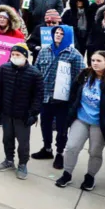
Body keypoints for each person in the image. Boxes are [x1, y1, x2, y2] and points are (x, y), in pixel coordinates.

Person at [56, 51, 105, 191]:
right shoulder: (84, 75)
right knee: (71, 147)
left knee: (95, 152)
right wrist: (71, 108)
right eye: (93, 60)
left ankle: (90, 177)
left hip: (100, 124)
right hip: (81, 118)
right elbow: (73, 92)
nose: (95, 63)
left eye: (98, 60)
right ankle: (67, 174)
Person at [31, 25, 86, 169]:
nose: (58, 35)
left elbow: (81, 77)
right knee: (45, 124)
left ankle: (60, 153)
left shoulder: (74, 55)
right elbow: (36, 71)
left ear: (67, 36)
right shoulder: (44, 51)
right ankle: (47, 148)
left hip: (63, 100)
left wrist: (73, 95)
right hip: (45, 96)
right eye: (56, 32)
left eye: (62, 33)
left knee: (62, 128)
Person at [0, 44, 44, 180]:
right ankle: (9, 160)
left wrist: (33, 113)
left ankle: (22, 164)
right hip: (7, 112)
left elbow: (38, 96)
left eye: (18, 55)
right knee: (7, 139)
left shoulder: (35, 74)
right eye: (13, 55)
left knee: (23, 143)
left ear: (25, 56)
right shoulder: (4, 69)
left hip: (23, 115)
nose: (15, 57)